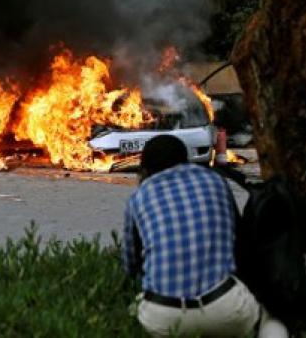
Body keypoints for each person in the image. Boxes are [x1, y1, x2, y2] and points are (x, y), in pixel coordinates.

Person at [122, 135, 287, 337]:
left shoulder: (138, 198)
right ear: (185, 160)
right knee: (271, 322)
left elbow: (131, 265)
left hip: (164, 317)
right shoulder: (215, 181)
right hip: (225, 307)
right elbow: (240, 241)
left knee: (136, 307)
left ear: (145, 169)